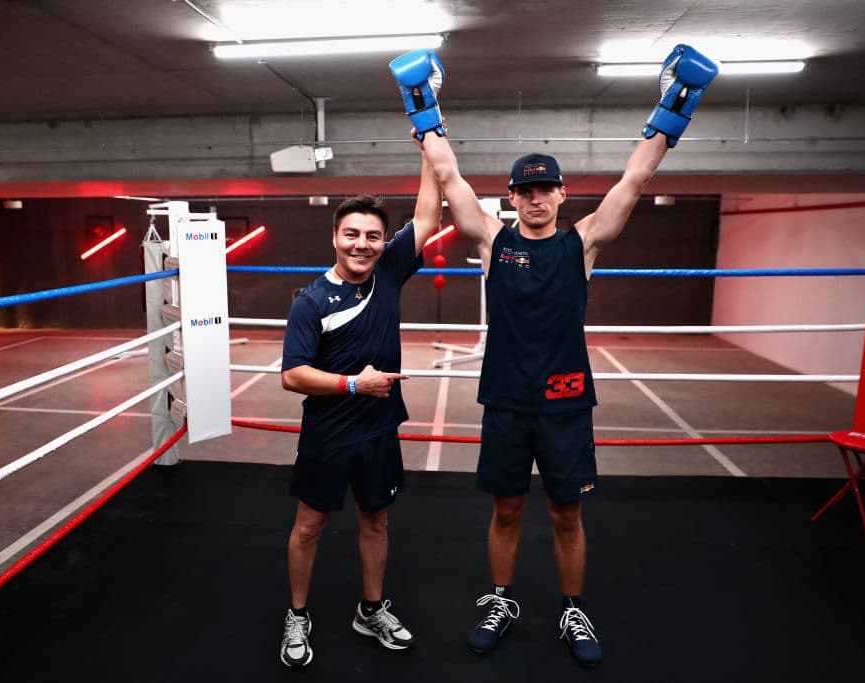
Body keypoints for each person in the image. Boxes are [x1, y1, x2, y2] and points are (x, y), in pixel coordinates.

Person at [391, 44, 718, 668]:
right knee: (507, 509)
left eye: (545, 189)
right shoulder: (491, 240)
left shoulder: (583, 243)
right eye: (525, 190)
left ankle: (572, 608)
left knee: (568, 512)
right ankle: (501, 599)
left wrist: (676, 106)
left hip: (566, 402)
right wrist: (422, 107)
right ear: (512, 197)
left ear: (563, 194)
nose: (535, 198)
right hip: (507, 400)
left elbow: (635, 179)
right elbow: (450, 176)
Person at [277, 143, 443, 667]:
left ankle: (370, 610)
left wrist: (428, 144)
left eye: (373, 236)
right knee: (309, 527)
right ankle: (297, 615)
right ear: (335, 236)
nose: (362, 245)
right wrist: (354, 384)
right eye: (352, 234)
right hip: (327, 433)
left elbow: (427, 216)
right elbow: (292, 375)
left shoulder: (389, 271)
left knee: (377, 522)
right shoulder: (310, 302)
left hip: (378, 431)